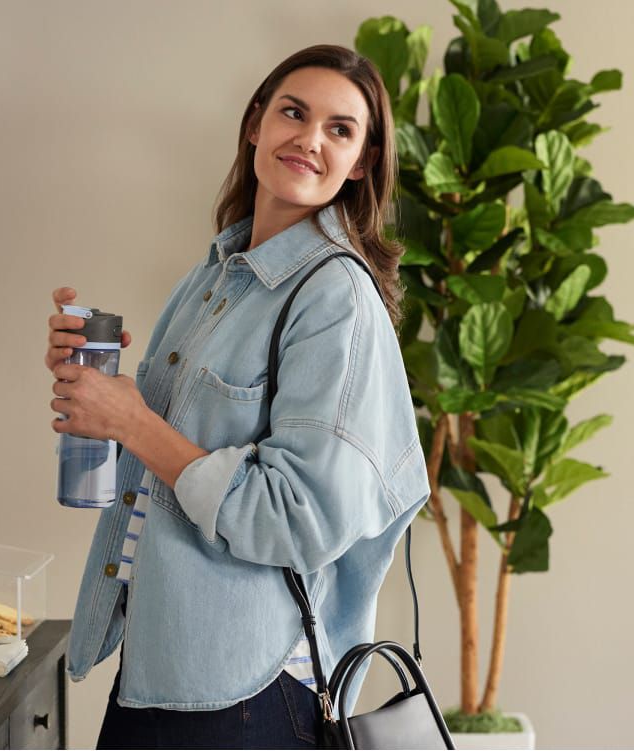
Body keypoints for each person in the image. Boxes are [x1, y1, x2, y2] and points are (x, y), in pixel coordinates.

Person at [45, 44, 429, 749]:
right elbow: (160, 458)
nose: (309, 139)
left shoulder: (335, 300)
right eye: (293, 112)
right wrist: (95, 391)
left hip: (248, 691)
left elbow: (297, 518)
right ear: (255, 124)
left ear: (363, 161)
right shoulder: (215, 278)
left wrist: (131, 421)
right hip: (166, 664)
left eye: (340, 130)